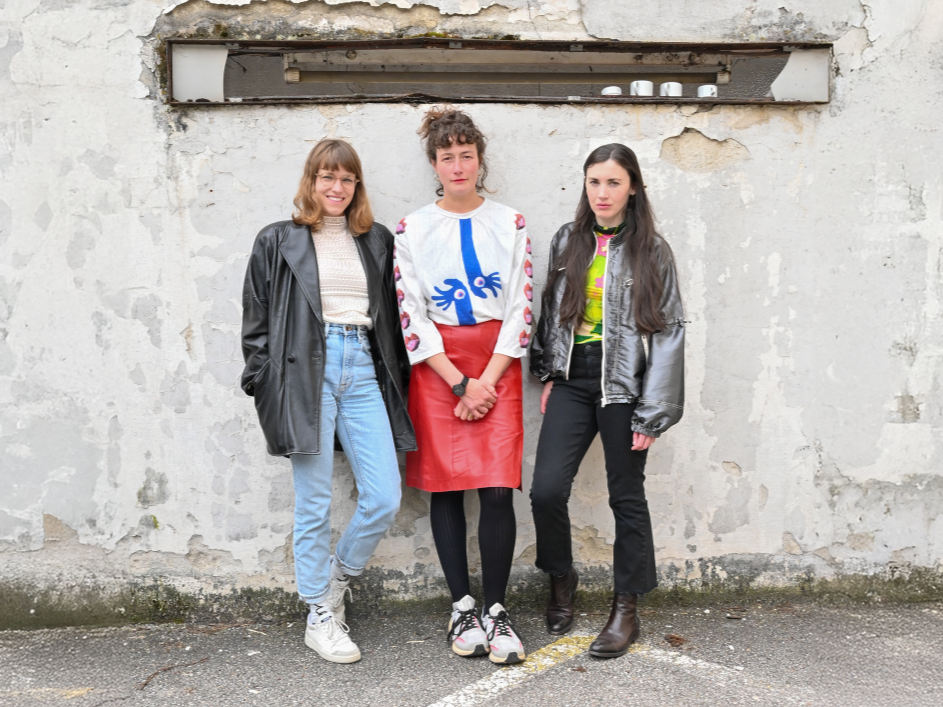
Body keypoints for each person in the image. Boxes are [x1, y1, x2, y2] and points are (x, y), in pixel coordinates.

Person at [240, 139, 416, 664]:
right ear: (311, 182)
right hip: (304, 374)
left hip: (362, 368)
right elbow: (255, 323)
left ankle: (337, 578)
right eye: (326, 177)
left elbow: (391, 316)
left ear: (356, 186)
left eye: (346, 179)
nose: (336, 188)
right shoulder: (278, 240)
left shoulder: (377, 241)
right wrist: (263, 380)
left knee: (384, 495)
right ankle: (319, 613)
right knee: (314, 502)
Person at [529, 143, 685, 658]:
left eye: (614, 182)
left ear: (633, 187)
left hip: (624, 387)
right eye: (594, 182)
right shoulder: (568, 240)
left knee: (626, 498)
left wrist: (654, 411)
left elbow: (667, 332)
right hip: (574, 380)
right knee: (547, 490)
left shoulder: (653, 250)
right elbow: (553, 311)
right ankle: (561, 577)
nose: (602, 193)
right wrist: (550, 371)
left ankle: (626, 610)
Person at [393, 107, 532, 664]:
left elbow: (523, 305)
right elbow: (411, 314)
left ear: (479, 161)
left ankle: (497, 613)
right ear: (434, 163)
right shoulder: (412, 228)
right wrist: (458, 384)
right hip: (439, 368)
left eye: (466, 155)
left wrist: (485, 382)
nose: (457, 165)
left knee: (498, 488)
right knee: (446, 487)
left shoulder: (512, 222)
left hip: (497, 365)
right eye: (446, 156)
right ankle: (462, 605)